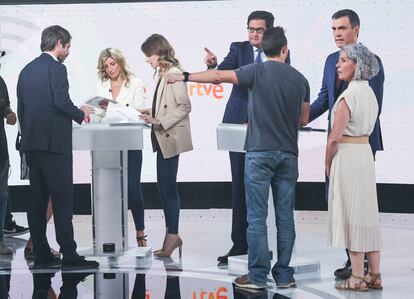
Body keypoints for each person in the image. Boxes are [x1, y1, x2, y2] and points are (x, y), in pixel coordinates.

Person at [166, 26, 310, 290]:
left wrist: (185, 76)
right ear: (284, 50)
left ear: (262, 50)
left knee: (256, 218)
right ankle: (284, 275)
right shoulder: (301, 80)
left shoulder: (255, 71)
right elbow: (302, 119)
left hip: (258, 153)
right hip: (289, 155)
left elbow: (219, 76)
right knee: (285, 218)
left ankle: (257, 277)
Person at [205, 10, 291, 264]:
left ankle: (263, 245)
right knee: (239, 185)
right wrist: (212, 66)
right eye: (250, 29)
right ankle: (239, 243)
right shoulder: (239, 48)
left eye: (259, 30)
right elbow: (220, 75)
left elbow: (285, 84)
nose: (253, 34)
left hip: (267, 128)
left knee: (263, 188)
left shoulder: (280, 53)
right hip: (237, 126)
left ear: (270, 32)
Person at [308, 9, 384, 279]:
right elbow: (323, 99)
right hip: (339, 143)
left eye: (342, 28)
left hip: (359, 143)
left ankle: (361, 268)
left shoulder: (371, 62)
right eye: (333, 29)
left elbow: (373, 107)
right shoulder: (330, 60)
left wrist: (349, 136)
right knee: (343, 205)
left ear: (356, 29)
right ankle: (354, 262)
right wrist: (295, 119)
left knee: (360, 206)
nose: (337, 34)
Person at [17, 25, 98, 270]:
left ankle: (42, 253)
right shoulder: (57, 68)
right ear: (59, 43)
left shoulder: (26, 70)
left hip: (31, 145)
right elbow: (61, 102)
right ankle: (70, 256)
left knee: (37, 201)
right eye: (68, 46)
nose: (69, 51)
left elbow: (22, 110)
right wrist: (82, 113)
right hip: (54, 146)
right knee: (62, 201)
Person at [327, 43, 383, 291]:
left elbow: (334, 138)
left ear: (357, 65)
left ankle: (357, 276)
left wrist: (327, 163)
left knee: (352, 215)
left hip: (348, 155)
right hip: (364, 155)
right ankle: (375, 274)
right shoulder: (369, 92)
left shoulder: (349, 95)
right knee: (368, 214)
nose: (338, 65)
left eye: (343, 60)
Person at [140, 34, 193, 257]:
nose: (147, 60)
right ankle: (172, 235)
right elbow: (165, 106)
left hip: (170, 136)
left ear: (159, 52)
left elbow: (184, 107)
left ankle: (173, 235)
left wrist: (160, 121)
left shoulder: (173, 73)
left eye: (149, 55)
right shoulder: (163, 73)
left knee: (168, 187)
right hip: (163, 136)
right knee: (164, 187)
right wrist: (149, 114)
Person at [96, 48, 148, 247]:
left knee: (133, 189)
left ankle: (140, 232)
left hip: (130, 142)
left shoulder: (135, 83)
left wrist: (120, 112)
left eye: (112, 64)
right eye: (106, 66)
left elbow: (139, 112)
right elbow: (99, 114)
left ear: (120, 62)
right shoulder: (101, 84)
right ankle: (113, 234)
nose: (109, 69)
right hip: (108, 143)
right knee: (110, 190)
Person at [0, 74, 17, 255]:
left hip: (1, 150)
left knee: (1, 196)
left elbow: (5, 106)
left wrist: (9, 114)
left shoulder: (0, 81)